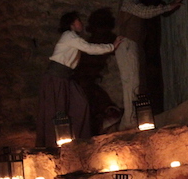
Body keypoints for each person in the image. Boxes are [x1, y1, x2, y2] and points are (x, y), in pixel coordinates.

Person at [36, 11, 123, 148]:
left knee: (80, 104)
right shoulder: (69, 36)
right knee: (57, 111)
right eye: (78, 21)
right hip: (56, 78)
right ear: (71, 24)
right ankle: (55, 145)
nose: (81, 23)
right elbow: (89, 48)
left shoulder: (73, 38)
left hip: (66, 78)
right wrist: (112, 46)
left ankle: (79, 141)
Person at [115, 0, 184, 130]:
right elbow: (144, 12)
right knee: (132, 83)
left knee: (134, 83)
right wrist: (169, 6)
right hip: (127, 45)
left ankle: (129, 120)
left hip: (132, 44)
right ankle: (129, 121)